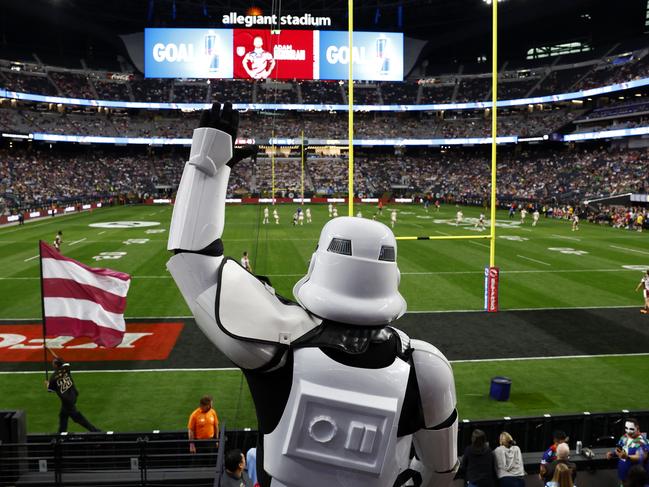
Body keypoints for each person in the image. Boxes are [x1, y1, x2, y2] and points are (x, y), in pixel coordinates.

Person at [166, 102, 459, 487]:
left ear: (319, 264)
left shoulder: (276, 344)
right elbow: (441, 470)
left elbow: (193, 261)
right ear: (392, 277)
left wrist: (208, 160)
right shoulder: (426, 368)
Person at [45, 353, 100, 433]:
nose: (52, 363)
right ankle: (61, 433)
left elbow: (50, 390)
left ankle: (95, 431)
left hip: (67, 401)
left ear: (56, 365)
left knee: (77, 417)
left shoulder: (53, 378)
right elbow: (60, 359)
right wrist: (50, 350)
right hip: (73, 394)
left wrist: (47, 384)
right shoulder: (66, 368)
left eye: (53, 362)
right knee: (63, 415)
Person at [607, 418, 647, 484]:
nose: (628, 431)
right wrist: (613, 453)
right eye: (626, 428)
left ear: (637, 427)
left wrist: (627, 457)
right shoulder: (624, 437)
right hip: (622, 470)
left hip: (635, 475)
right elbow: (619, 449)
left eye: (631, 429)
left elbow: (641, 456)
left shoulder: (642, 441)